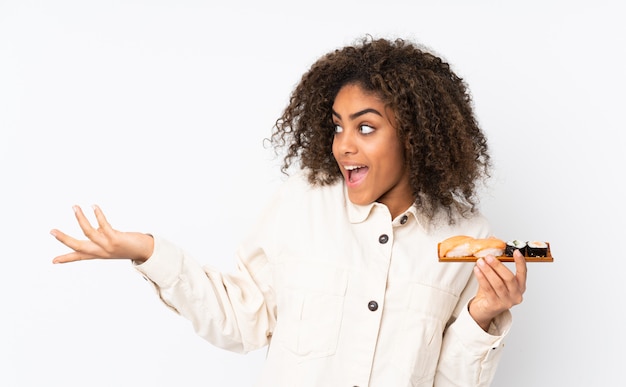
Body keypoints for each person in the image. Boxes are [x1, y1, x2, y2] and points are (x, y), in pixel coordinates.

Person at [51, 35, 527, 387]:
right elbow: (242, 320)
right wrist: (149, 252)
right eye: (338, 127)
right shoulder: (301, 205)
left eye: (366, 128)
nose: (343, 146)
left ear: (415, 133)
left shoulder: (467, 235)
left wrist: (483, 314)